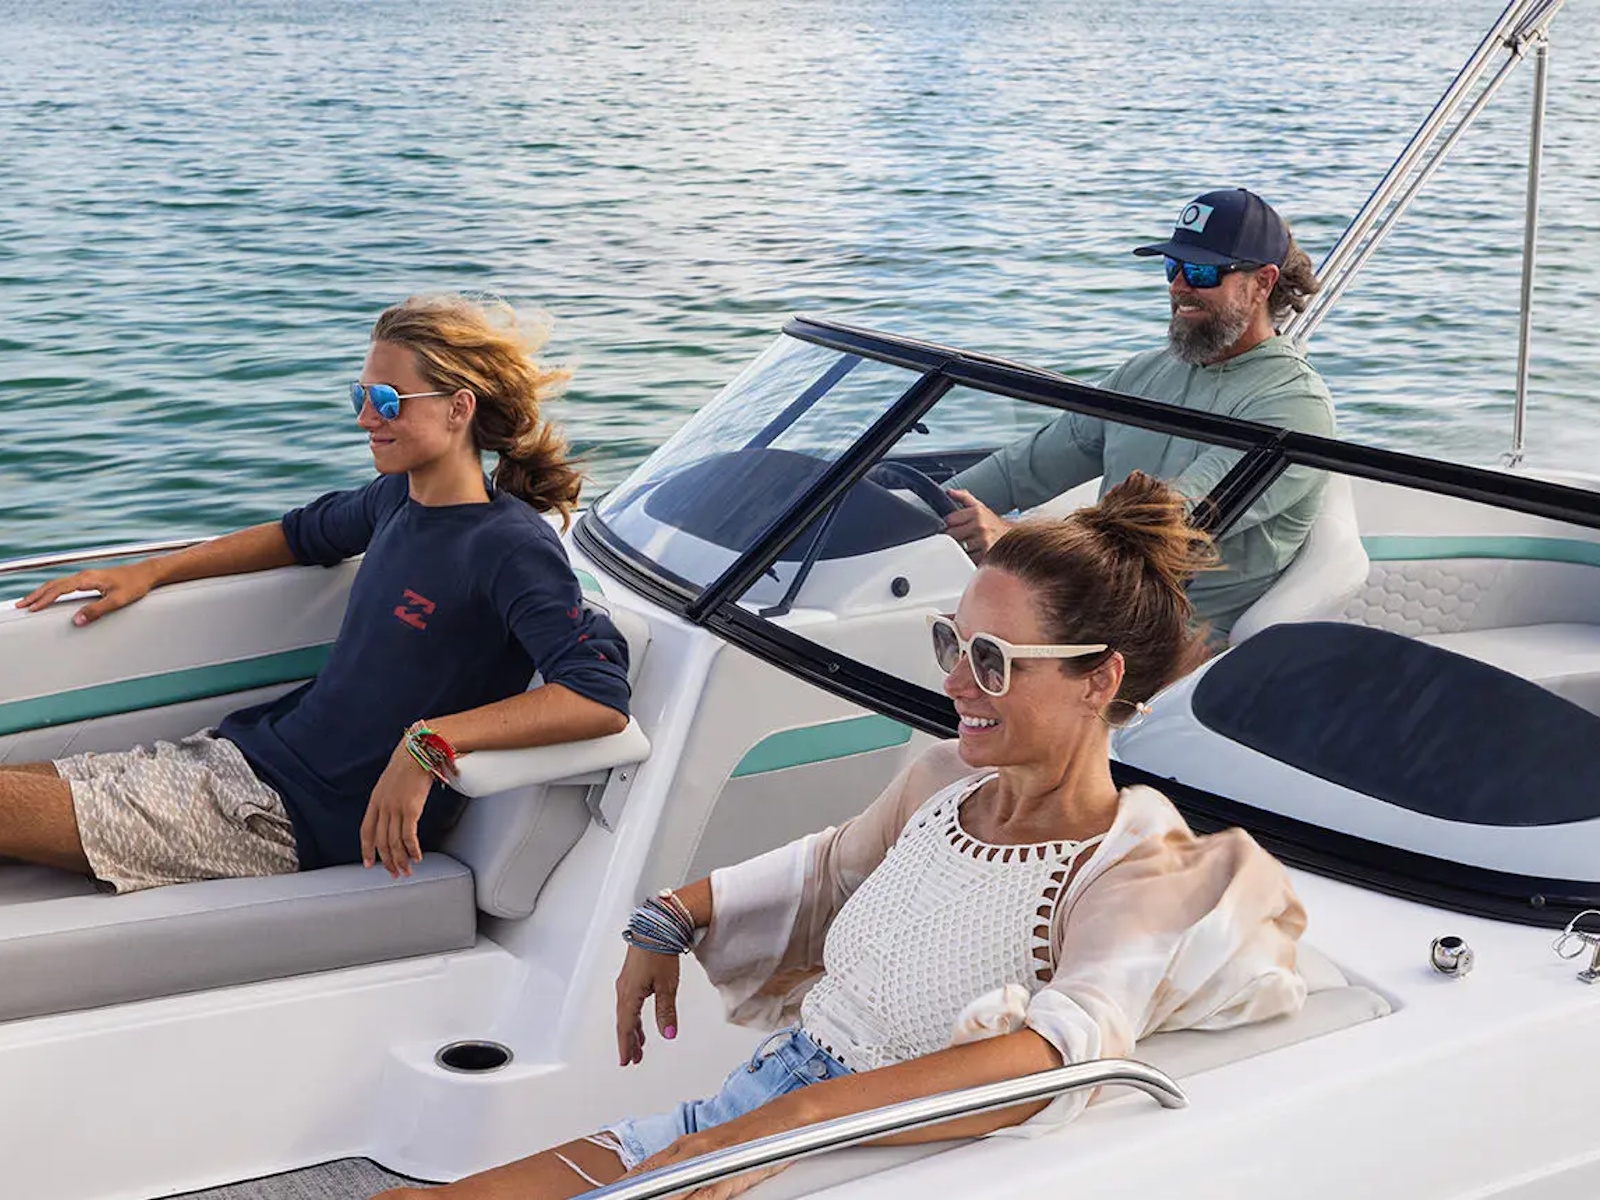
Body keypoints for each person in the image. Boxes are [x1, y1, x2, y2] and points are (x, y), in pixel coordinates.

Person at [379, 473, 1307, 1200]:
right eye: (952, 644)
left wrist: (786, 1126)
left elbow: (1063, 1054)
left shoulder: (1133, 869)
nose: (955, 683)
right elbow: (828, 867)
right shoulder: (945, 782)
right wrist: (669, 917)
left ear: (1098, 680)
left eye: (992, 661)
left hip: (844, 1154)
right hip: (751, 1112)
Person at [5, 294, 631, 891]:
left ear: (458, 408)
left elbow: (595, 694)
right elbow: (296, 535)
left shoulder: (508, 547)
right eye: (361, 396)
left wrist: (426, 744)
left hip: (291, 817)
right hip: (240, 755)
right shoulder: (395, 498)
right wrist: (151, 572)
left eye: (386, 400)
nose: (365, 419)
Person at [943, 188, 1336, 641]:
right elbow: (1025, 468)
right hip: (1088, 611)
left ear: (1263, 283)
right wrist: (928, 506)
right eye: (1172, 267)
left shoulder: (1294, 405)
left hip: (1176, 642)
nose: (1178, 286)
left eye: (1201, 272)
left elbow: (1164, 527)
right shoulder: (1145, 372)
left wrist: (1013, 540)